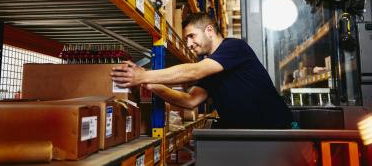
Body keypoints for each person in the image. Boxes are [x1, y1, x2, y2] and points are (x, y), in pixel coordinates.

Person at [111, 13, 293, 129]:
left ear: (209, 30)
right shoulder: (212, 67)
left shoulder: (234, 47)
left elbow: (195, 71)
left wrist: (143, 75)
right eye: (186, 39)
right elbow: (190, 100)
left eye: (192, 36)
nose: (189, 44)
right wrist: (150, 85)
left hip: (277, 130)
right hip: (250, 135)